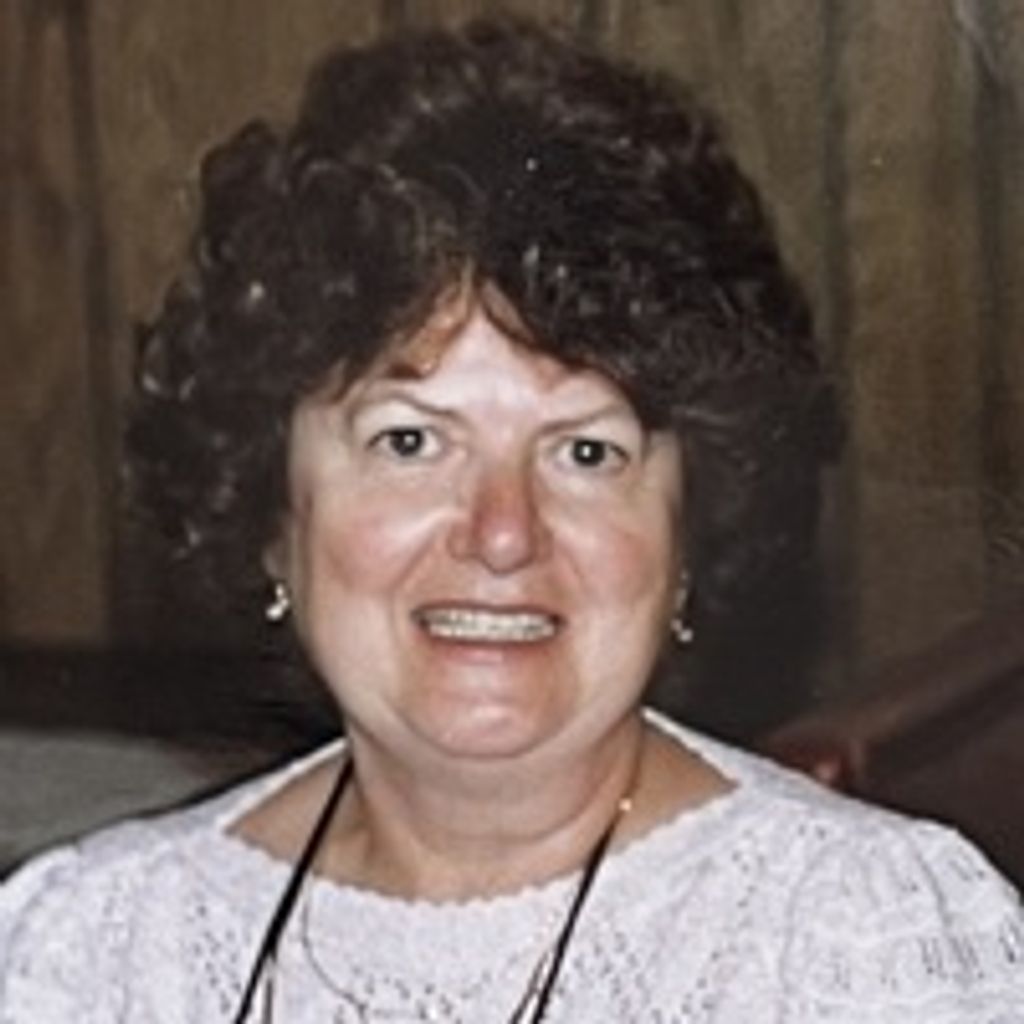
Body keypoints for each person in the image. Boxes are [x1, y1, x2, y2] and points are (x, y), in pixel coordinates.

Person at [1, 15, 1022, 1023]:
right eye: (410, 441)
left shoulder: (866, 945)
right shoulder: (87, 952)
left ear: (690, 536)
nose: (502, 533)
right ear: (272, 512)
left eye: (586, 452)